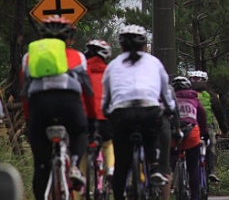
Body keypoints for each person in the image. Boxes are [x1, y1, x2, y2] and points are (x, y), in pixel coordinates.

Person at [20, 16, 96, 199]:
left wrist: (29, 119)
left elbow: (24, 94)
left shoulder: (29, 57)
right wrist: (91, 119)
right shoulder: (78, 56)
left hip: (40, 105)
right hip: (69, 104)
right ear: (69, 38)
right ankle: (76, 166)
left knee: (41, 164)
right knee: (79, 132)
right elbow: (87, 92)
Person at [102, 24, 176, 200]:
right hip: (148, 111)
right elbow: (166, 93)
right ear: (144, 45)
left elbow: (106, 98)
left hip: (122, 114)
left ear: (121, 46)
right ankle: (155, 167)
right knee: (152, 137)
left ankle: (119, 195)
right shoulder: (154, 62)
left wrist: (106, 112)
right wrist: (171, 108)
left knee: (122, 163)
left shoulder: (112, 65)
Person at [171, 76, 208, 200]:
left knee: (169, 162)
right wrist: (205, 132)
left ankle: (165, 186)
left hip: (174, 133)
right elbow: (202, 117)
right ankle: (195, 196)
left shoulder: (170, 99)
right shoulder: (194, 99)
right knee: (193, 167)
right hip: (192, 133)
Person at [83, 39, 115, 180]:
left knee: (83, 150)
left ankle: (80, 179)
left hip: (84, 118)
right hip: (104, 118)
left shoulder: (81, 70)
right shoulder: (110, 73)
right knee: (107, 144)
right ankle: (110, 169)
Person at [188, 70, 227, 182]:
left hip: (189, 126)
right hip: (206, 126)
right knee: (211, 147)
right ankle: (211, 170)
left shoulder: (185, 94)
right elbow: (219, 113)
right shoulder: (211, 95)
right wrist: (224, 130)